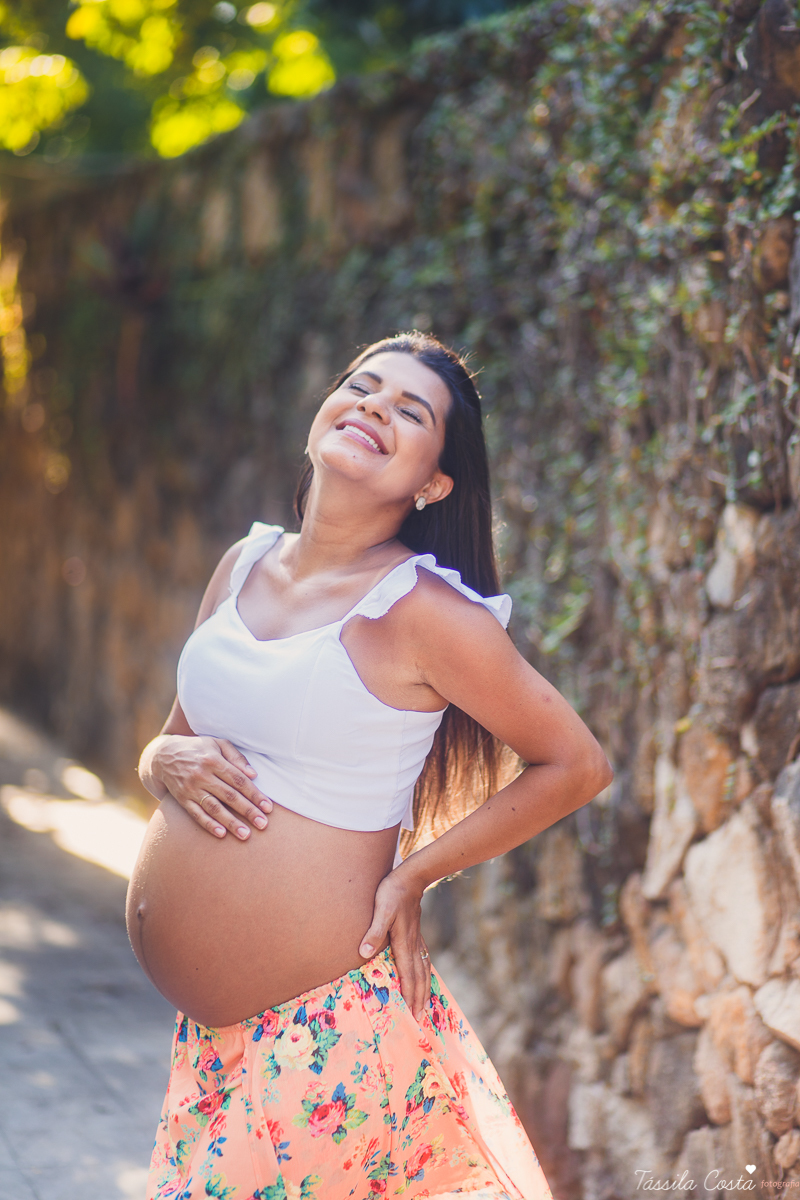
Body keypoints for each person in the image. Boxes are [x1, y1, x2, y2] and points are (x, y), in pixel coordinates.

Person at [128, 331, 612, 1200]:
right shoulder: (242, 565)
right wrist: (159, 756)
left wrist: (415, 875)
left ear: (434, 482)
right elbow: (175, 742)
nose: (374, 407)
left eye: (410, 411)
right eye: (361, 385)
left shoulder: (424, 611)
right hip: (211, 1044)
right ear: (324, 412)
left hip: (322, 1034)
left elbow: (575, 764)